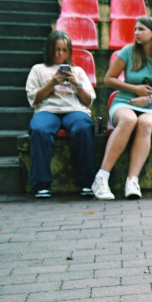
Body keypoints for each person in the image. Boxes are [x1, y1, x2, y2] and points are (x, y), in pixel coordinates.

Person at [91, 17, 152, 201]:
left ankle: (132, 180)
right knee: (129, 120)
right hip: (124, 102)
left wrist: (150, 98)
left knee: (145, 123)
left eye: (141, 29)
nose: (136, 33)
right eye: (135, 29)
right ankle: (101, 177)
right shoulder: (128, 51)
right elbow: (108, 79)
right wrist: (134, 89)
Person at [26, 30, 96, 198]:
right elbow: (34, 99)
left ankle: (88, 183)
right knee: (39, 130)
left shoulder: (77, 71)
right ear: (50, 50)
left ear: (69, 52)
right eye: (57, 49)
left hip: (74, 110)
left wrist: (76, 83)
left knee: (83, 128)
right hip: (47, 110)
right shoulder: (38, 69)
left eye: (64, 50)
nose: (60, 54)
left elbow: (88, 101)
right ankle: (42, 185)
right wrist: (52, 82)